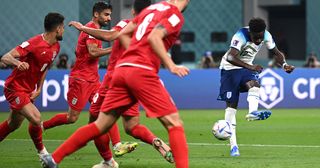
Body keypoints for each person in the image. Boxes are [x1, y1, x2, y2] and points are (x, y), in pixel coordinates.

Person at [41, 0, 190, 168]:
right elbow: (155, 37)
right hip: (141, 71)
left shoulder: (150, 11)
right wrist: (171, 65)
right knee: (175, 124)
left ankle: (54, 158)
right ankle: (110, 158)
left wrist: (132, 51)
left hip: (120, 71)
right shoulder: (174, 15)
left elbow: (119, 35)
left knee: (101, 125)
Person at [40, 2, 129, 167]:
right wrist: (115, 48)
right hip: (80, 80)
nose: (109, 18)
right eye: (106, 15)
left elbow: (83, 52)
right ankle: (42, 126)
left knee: (105, 110)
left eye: (110, 15)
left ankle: (116, 146)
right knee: (71, 118)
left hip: (93, 79)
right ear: (96, 14)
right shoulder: (90, 29)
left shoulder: (95, 30)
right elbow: (93, 52)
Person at [217, 18, 295, 157]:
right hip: (229, 70)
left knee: (255, 84)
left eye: (260, 37)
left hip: (246, 68)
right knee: (231, 108)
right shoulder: (240, 35)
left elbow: (276, 53)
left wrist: (284, 65)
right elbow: (230, 57)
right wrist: (251, 66)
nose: (259, 41)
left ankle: (253, 112)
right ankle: (233, 146)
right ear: (250, 32)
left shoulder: (266, 35)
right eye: (256, 37)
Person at [0, 12, 64, 162]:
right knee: (36, 118)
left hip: (28, 90)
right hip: (14, 88)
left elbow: (45, 67)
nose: (63, 31)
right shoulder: (34, 43)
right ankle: (43, 154)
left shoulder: (56, 47)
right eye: (62, 28)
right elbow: (5, 57)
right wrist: (18, 63)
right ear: (58, 28)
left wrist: (39, 88)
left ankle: (42, 154)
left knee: (13, 124)